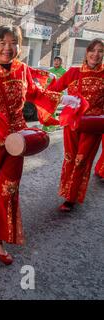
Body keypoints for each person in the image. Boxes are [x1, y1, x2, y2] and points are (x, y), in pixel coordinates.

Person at [0, 25, 78, 265]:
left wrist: (64, 98)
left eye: (13, 43)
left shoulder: (23, 71)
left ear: (19, 47)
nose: (7, 48)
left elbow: (36, 93)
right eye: (2, 43)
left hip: (15, 143)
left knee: (9, 190)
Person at [48, 38, 104, 212]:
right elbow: (52, 91)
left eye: (100, 51)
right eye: (93, 50)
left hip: (93, 126)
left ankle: (71, 198)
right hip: (72, 124)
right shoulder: (73, 72)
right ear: (86, 52)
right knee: (70, 158)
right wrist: (64, 99)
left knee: (81, 161)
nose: (96, 54)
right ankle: (66, 190)